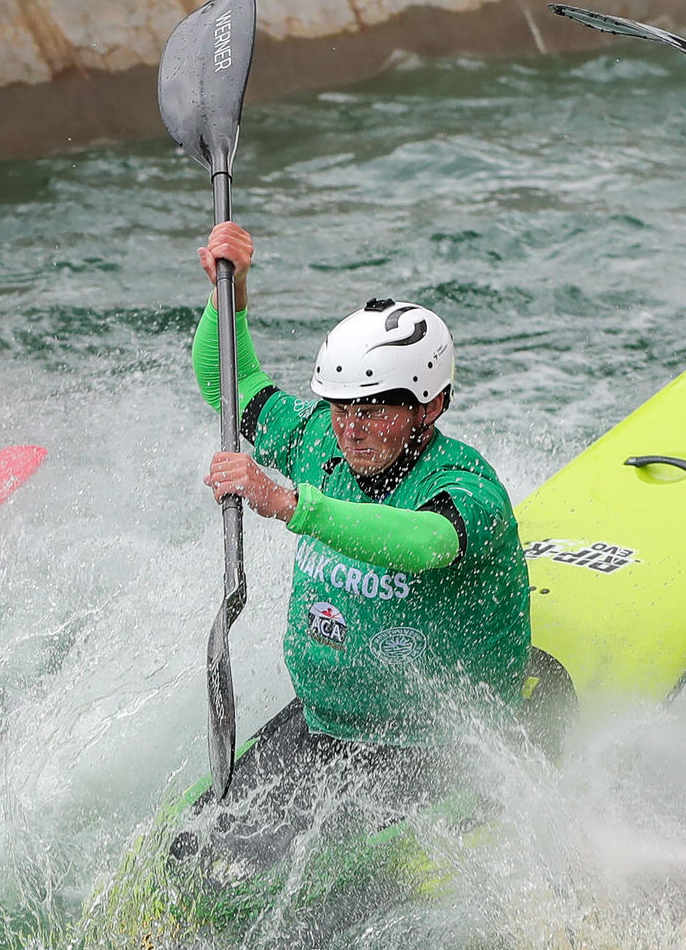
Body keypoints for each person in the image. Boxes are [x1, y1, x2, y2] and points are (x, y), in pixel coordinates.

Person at [189, 220, 530, 874]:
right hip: (324, 725)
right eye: (343, 406)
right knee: (196, 858)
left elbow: (424, 545)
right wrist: (227, 299)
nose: (352, 428)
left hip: (437, 748)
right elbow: (231, 382)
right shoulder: (321, 440)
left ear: (430, 407)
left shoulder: (466, 486)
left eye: (374, 409)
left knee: (311, 903)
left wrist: (292, 504)